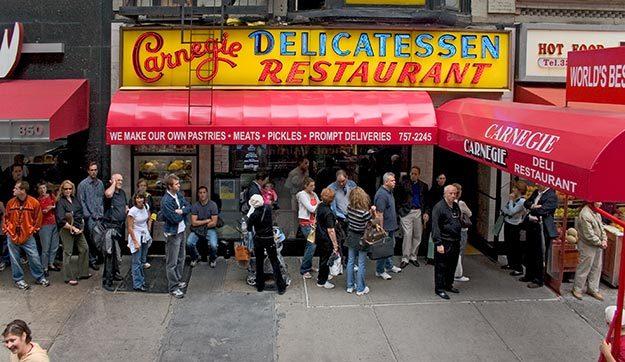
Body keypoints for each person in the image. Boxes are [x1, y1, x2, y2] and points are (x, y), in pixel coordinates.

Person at [2, 181, 49, 290]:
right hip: (13, 235)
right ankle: (19, 280)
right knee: (14, 259)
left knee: (34, 257)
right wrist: (7, 230)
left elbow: (38, 218)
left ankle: (40, 277)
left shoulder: (34, 202)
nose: (13, 190)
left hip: (27, 236)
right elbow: (6, 217)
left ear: (22, 190)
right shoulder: (10, 203)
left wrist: (33, 230)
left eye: (16, 188)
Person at [247, 194, 286, 295]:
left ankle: (260, 285)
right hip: (269, 239)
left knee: (259, 262)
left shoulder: (253, 215)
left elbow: (249, 228)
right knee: (274, 262)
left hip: (259, 239)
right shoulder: (268, 208)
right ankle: (281, 287)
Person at [161, 174, 191, 299]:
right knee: (172, 262)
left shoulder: (178, 195)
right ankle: (173, 288)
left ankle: (178, 281)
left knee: (181, 258)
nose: (179, 185)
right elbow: (173, 218)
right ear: (169, 186)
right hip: (173, 233)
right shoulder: (166, 201)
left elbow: (189, 206)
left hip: (182, 230)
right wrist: (181, 213)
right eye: (177, 184)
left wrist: (182, 211)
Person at [522, 184, 558, 289]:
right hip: (532, 225)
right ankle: (529, 274)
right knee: (530, 251)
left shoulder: (552, 196)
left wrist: (532, 208)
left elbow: (543, 211)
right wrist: (533, 206)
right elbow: (526, 203)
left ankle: (538, 279)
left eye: (539, 183)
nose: (537, 185)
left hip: (542, 227)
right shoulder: (536, 192)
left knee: (539, 254)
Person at [56, 180, 90, 286]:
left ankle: (83, 272)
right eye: (66, 189)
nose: (68, 191)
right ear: (62, 190)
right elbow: (61, 220)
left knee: (84, 248)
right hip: (66, 229)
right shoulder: (60, 202)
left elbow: (80, 213)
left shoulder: (75, 199)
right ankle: (69, 277)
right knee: (68, 252)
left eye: (70, 189)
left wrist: (81, 226)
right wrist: (72, 227)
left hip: (78, 227)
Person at [431, 185, 462, 300]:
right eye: (451, 193)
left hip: (455, 241)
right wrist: (438, 243)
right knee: (441, 266)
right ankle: (439, 289)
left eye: (455, 193)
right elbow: (435, 226)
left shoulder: (455, 206)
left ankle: (449, 284)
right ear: (445, 194)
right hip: (444, 241)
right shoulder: (438, 207)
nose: (453, 196)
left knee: (452, 265)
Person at [572, 201, 607, 301]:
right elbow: (588, 235)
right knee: (584, 267)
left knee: (596, 267)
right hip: (587, 245)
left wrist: (604, 239)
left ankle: (593, 289)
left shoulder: (597, 212)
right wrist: (601, 242)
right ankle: (577, 289)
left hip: (598, 244)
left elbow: (602, 228)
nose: (600, 204)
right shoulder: (585, 214)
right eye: (598, 202)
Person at [396, 166, 429, 269]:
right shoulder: (403, 184)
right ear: (409, 174)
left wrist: (426, 212)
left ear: (419, 175)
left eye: (415, 174)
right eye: (412, 173)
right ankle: (405, 258)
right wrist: (400, 211)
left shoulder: (423, 186)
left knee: (418, 235)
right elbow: (397, 198)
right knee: (407, 234)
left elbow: (426, 201)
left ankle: (413, 256)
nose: (413, 175)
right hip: (406, 212)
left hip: (418, 211)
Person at [346, 187, 376, 296]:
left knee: (350, 261)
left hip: (351, 236)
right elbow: (373, 221)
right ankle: (360, 288)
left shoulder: (349, 208)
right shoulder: (364, 212)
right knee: (361, 263)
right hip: (362, 238)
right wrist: (373, 211)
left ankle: (350, 285)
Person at [374, 172, 402, 280]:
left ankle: (389, 266)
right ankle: (379, 270)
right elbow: (379, 214)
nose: (395, 182)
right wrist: (381, 230)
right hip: (385, 227)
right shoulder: (381, 195)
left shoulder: (389, 192)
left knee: (390, 246)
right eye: (392, 181)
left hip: (390, 226)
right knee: (383, 249)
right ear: (386, 182)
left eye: (394, 180)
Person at [102, 173, 127, 291]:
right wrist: (113, 184)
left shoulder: (122, 193)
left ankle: (115, 273)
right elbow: (108, 194)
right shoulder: (109, 193)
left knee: (118, 253)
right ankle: (107, 281)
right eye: (118, 180)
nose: (120, 182)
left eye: (121, 180)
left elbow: (125, 206)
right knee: (110, 254)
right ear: (112, 181)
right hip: (110, 227)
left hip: (120, 226)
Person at [77, 161, 104, 271]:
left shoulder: (100, 183)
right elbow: (81, 201)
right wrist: (88, 215)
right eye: (91, 170)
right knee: (90, 239)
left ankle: (98, 257)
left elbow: (101, 199)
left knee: (99, 238)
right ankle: (91, 260)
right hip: (89, 217)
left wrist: (101, 213)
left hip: (99, 216)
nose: (93, 172)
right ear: (88, 171)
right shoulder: (83, 184)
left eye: (95, 170)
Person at [327, 170, 357, 261]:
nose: (341, 183)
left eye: (343, 181)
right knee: (341, 240)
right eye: (339, 181)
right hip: (340, 217)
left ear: (347, 177)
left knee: (352, 238)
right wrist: (341, 217)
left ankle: (350, 259)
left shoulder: (352, 184)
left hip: (352, 215)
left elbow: (356, 199)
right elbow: (332, 207)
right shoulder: (331, 188)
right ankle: (342, 260)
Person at [187, 186, 219, 268]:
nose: (202, 194)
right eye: (200, 193)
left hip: (209, 229)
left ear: (207, 193)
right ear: (198, 194)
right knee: (189, 243)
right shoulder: (195, 206)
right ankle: (195, 258)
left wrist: (200, 223)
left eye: (204, 192)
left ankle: (212, 259)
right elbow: (194, 223)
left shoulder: (213, 205)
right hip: (197, 230)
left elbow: (214, 223)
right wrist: (207, 221)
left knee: (213, 245)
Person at [500, 181, 528, 276]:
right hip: (508, 223)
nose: (513, 190)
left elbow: (511, 211)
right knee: (508, 244)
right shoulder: (515, 199)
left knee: (515, 246)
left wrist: (511, 200)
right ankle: (510, 263)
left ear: (519, 190)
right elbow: (504, 209)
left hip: (515, 225)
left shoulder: (521, 202)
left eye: (515, 188)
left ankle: (518, 268)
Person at [315, 188, 340, 289]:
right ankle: (322, 281)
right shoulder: (328, 212)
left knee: (322, 258)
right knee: (325, 260)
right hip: (326, 239)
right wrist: (335, 244)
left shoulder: (320, 206)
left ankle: (321, 277)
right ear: (332, 199)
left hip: (320, 236)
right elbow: (331, 230)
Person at [127, 192, 152, 292]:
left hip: (145, 235)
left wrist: (149, 228)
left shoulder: (146, 206)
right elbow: (129, 228)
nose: (139, 200)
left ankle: (141, 280)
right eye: (137, 198)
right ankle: (137, 284)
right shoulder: (132, 211)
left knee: (142, 260)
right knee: (136, 261)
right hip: (136, 236)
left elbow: (149, 218)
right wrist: (135, 242)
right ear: (135, 199)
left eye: (141, 198)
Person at [297, 177, 320, 278]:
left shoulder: (313, 194)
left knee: (309, 245)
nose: (313, 187)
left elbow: (318, 206)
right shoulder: (302, 194)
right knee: (312, 245)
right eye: (311, 186)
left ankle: (308, 266)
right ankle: (304, 269)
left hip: (313, 222)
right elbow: (312, 208)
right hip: (306, 223)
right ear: (305, 185)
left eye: (314, 185)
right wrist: (319, 205)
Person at [36, 182, 59, 276]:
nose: (42, 190)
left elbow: (56, 205)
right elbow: (37, 212)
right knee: (45, 247)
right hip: (44, 224)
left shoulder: (51, 196)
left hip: (53, 222)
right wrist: (46, 210)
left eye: (44, 188)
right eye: (40, 188)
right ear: (38, 190)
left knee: (54, 245)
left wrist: (52, 207)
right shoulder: (37, 200)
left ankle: (51, 263)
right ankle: (44, 267)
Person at [132, 178, 155, 269]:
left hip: (147, 224)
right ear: (138, 187)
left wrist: (151, 220)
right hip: (137, 226)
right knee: (139, 244)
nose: (143, 187)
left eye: (145, 186)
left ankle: (144, 260)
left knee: (146, 242)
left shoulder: (149, 197)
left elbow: (153, 209)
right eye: (141, 186)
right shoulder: (134, 197)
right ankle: (138, 262)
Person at [426, 173, 447, 265]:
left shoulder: (446, 191)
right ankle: (431, 257)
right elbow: (429, 203)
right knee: (433, 236)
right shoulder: (433, 190)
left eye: (444, 178)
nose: (442, 180)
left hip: (443, 217)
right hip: (434, 216)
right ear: (437, 179)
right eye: (440, 178)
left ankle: (440, 256)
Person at [452, 183, 472, 283]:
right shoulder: (461, 203)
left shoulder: (448, 202)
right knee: (459, 251)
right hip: (461, 230)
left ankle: (451, 271)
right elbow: (470, 213)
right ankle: (458, 274)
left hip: (451, 230)